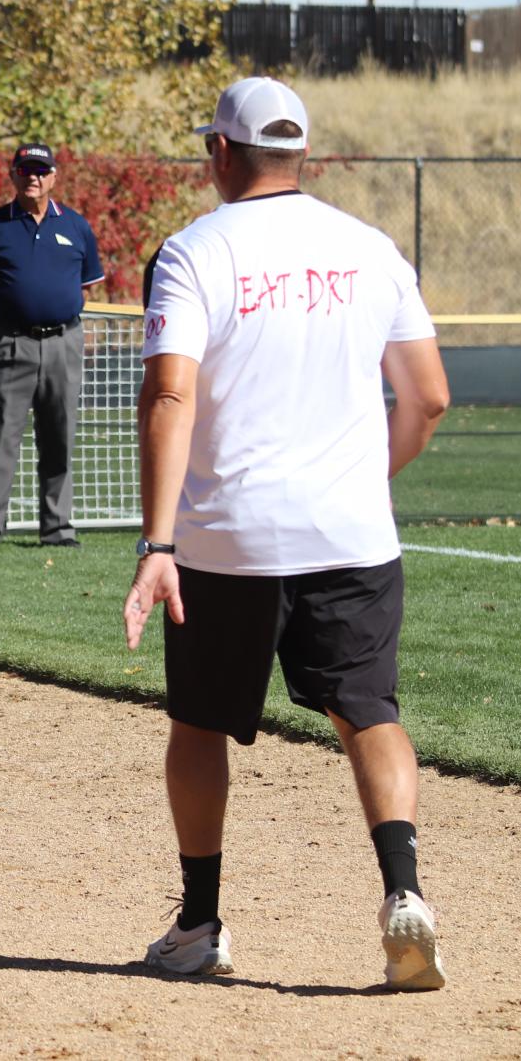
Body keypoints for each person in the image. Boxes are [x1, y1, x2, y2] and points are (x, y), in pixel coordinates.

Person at [123, 77, 452, 990]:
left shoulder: (194, 250)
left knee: (198, 726)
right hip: (350, 535)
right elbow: (426, 397)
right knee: (369, 714)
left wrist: (157, 545)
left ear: (221, 153)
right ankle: (403, 894)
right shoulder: (369, 247)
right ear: (299, 153)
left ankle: (199, 926)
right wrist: (357, 482)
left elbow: (170, 393)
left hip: (228, 538)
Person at [0, 143, 105, 549]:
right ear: (13, 176)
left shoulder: (76, 226)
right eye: (25, 171)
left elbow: (88, 286)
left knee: (60, 435)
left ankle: (57, 527)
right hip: (10, 343)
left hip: (63, 344)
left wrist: (55, 315)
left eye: (41, 171)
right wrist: (8, 323)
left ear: (54, 176)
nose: (33, 178)